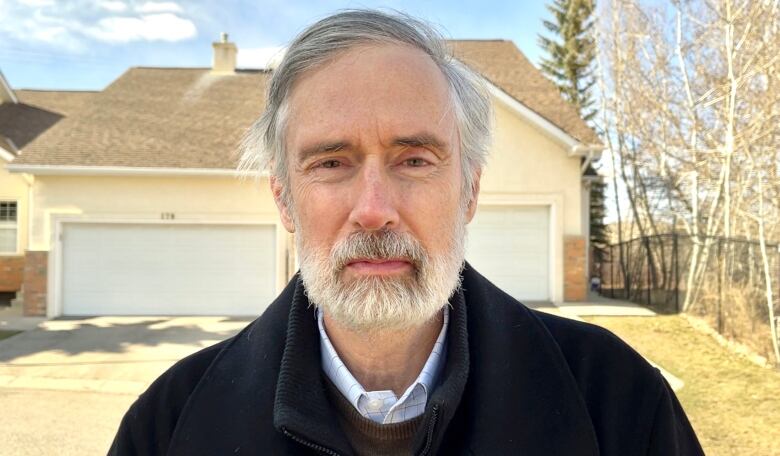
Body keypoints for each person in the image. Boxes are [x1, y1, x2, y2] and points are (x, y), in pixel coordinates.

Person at [109, 9, 704, 455]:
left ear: (469, 190)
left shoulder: (618, 407)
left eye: (414, 159)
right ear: (284, 199)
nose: (374, 209)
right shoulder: (168, 427)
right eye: (331, 163)